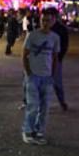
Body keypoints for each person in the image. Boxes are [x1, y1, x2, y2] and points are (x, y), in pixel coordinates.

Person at [21, 13, 61, 145]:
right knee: (33, 105)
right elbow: (24, 55)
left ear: (53, 22)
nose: (45, 22)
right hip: (33, 76)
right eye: (43, 20)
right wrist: (29, 73)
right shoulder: (32, 35)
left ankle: (39, 131)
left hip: (47, 77)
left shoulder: (55, 38)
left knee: (45, 107)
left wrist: (52, 75)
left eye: (48, 20)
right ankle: (27, 131)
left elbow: (55, 57)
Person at [45, 8, 70, 111]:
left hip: (55, 60)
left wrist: (59, 58)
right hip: (43, 60)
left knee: (57, 82)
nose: (46, 21)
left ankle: (62, 101)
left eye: (48, 18)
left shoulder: (61, 29)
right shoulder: (43, 28)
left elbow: (64, 45)